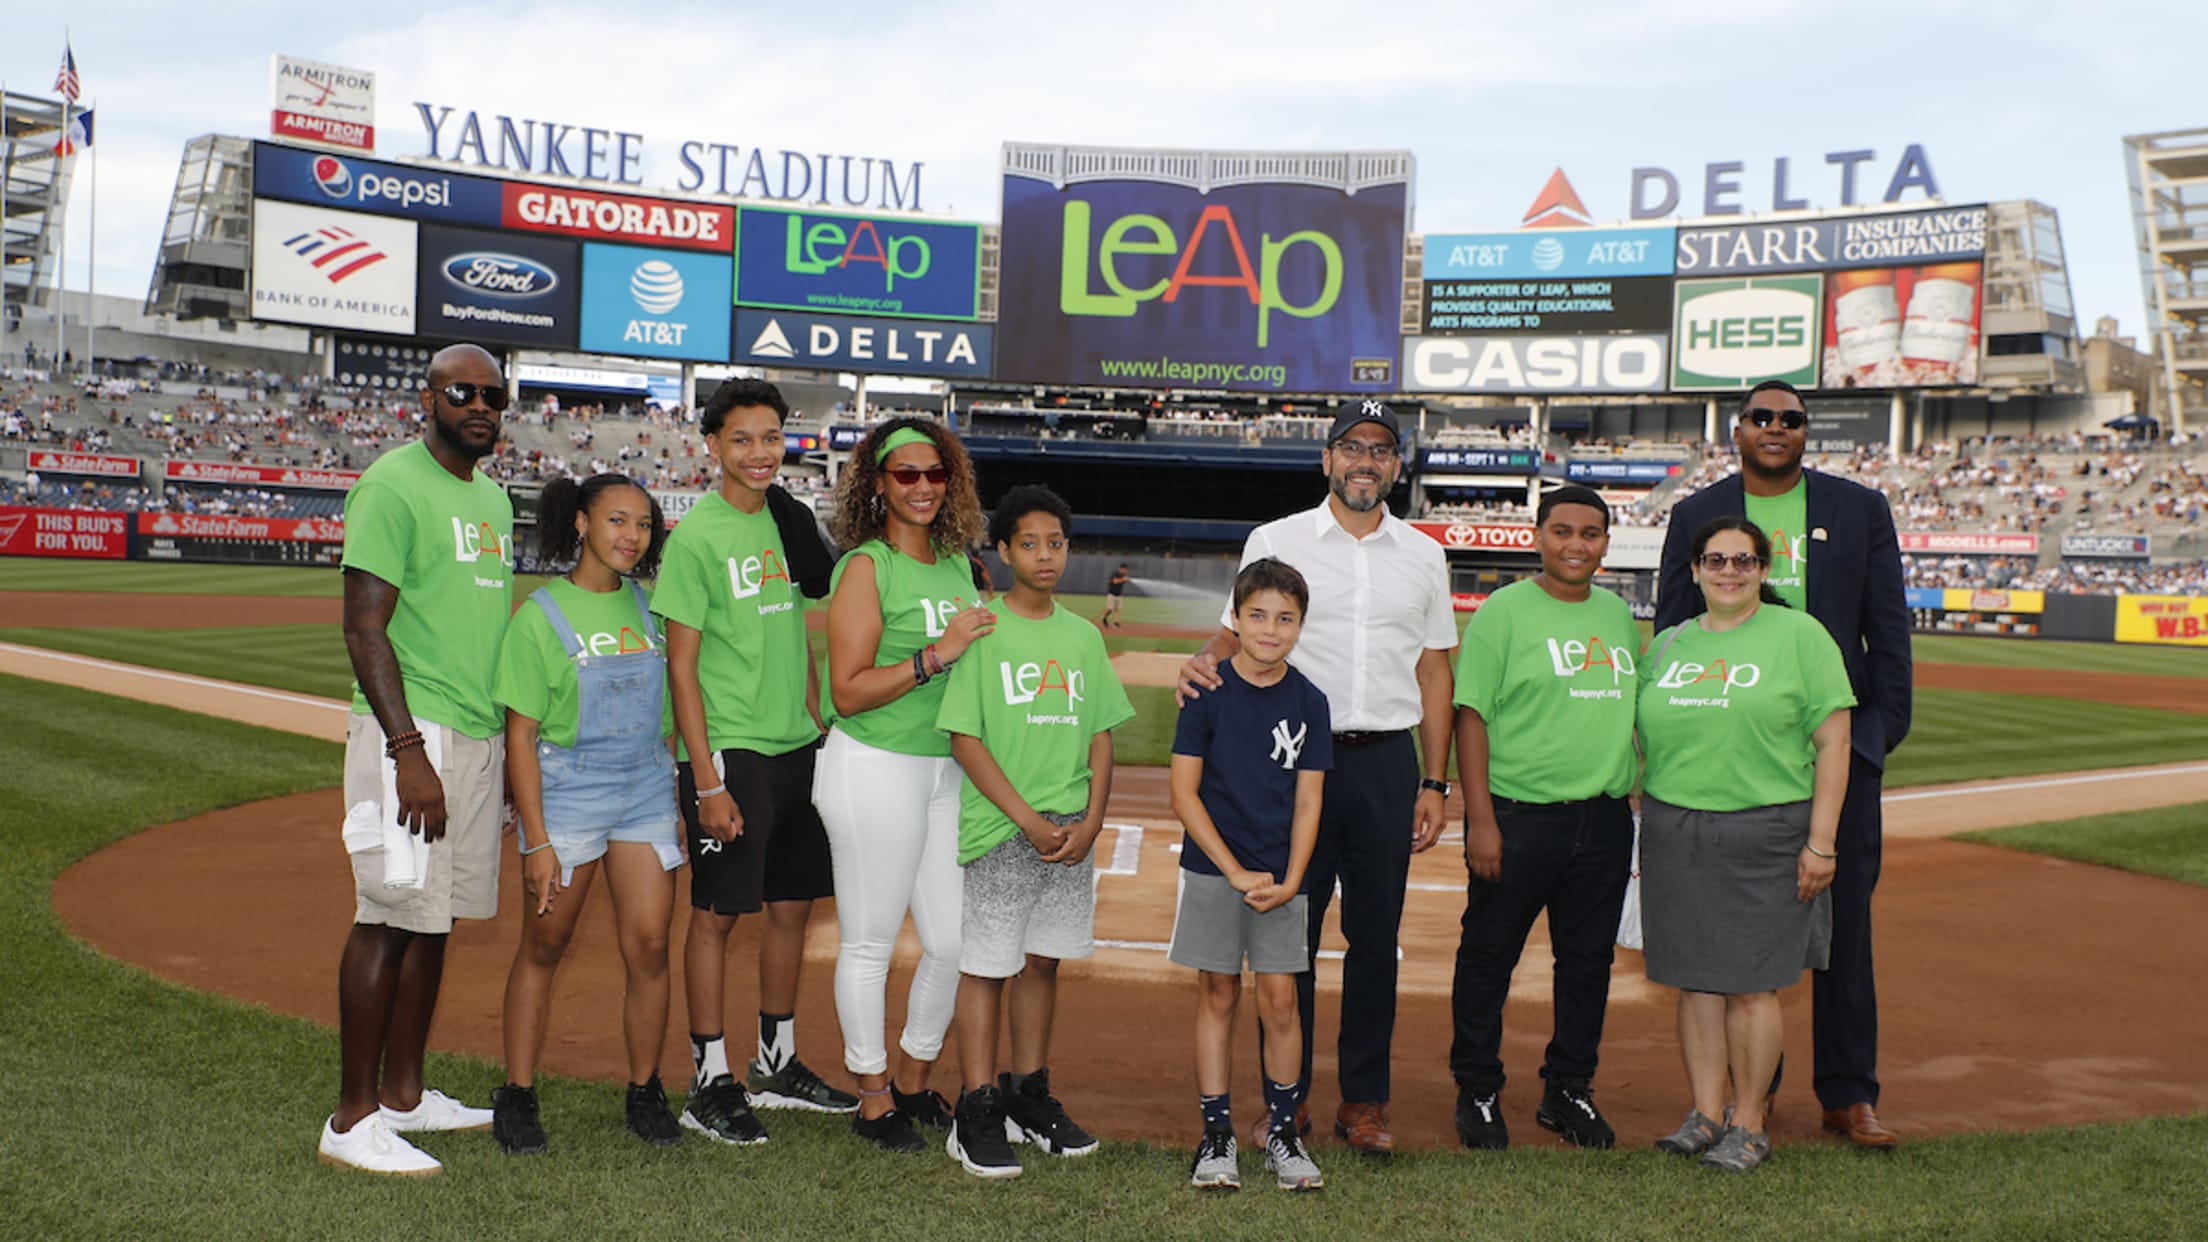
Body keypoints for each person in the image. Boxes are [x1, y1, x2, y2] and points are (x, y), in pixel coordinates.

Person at [1176, 399, 1457, 1157]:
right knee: (1286, 931)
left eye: (1381, 449)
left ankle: (1364, 1101)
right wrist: (1203, 662)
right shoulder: (1277, 539)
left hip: (1384, 760)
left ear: (1397, 465)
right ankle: (1286, 1100)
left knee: (1375, 939)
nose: (1365, 461)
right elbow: (1237, 633)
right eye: (1351, 447)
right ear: (1326, 458)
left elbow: (1435, 669)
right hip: (1289, 757)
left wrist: (1436, 781)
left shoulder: (1424, 553)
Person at [1656, 380, 1912, 1150]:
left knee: (1843, 930)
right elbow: (1674, 628)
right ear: (1738, 430)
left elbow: (1887, 634)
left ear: (1807, 430)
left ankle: (1847, 1093)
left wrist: (1870, 745)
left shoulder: (1859, 508)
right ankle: (1744, 1098)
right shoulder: (1696, 514)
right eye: (1761, 417)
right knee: (1727, 937)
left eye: (1790, 419)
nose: (1775, 428)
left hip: (1833, 756)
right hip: (1734, 756)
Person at [321, 343, 514, 1176]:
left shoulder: (498, 501)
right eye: (464, 392)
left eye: (495, 397)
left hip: (474, 734)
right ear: (428, 397)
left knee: (435, 920)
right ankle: (352, 1117)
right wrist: (407, 750)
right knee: (388, 915)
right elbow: (364, 625)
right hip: (414, 733)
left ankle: (405, 1093)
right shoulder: (393, 484)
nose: (481, 407)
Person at [652, 378, 853, 1149]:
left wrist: (817, 720)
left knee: (793, 906)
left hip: (795, 746)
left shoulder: (787, 520)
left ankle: (777, 1059)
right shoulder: (698, 537)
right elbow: (682, 668)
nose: (760, 452)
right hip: (730, 750)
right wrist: (706, 778)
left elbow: (796, 633)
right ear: (713, 447)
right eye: (743, 439)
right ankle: (710, 1077)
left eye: (771, 437)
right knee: (716, 914)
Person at [1640, 516, 1855, 1172]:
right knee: (1695, 982)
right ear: (1695, 570)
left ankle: (1750, 1121)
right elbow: (1643, 737)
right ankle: (1705, 1114)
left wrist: (1821, 842)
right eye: (1715, 560)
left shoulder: (1800, 635)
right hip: (1675, 828)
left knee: (1752, 986)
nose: (1728, 571)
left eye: (1743, 561)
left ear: (1764, 570)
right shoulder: (1670, 642)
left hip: (1766, 830)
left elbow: (1834, 742)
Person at [937, 485, 1135, 1179]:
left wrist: (1093, 820)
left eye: (1056, 543)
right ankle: (977, 1105)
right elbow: (964, 738)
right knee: (988, 967)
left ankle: (1028, 1093)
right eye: (1030, 543)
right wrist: (1025, 817)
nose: (1045, 555)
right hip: (1002, 828)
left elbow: (1103, 737)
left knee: (1044, 960)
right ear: (1003, 551)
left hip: (1068, 830)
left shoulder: (1082, 636)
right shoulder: (984, 630)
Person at [815, 418, 996, 1153]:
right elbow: (848, 692)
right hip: (872, 765)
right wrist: (937, 655)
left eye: (935, 474)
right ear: (878, 486)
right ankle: (873, 1096)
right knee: (871, 942)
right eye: (905, 475)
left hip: (943, 768)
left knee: (954, 943)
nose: (922, 487)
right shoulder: (865, 567)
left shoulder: (958, 564)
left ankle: (915, 1079)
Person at [490, 474, 679, 1155]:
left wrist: (672, 789)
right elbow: (519, 736)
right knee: (544, 946)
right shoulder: (539, 616)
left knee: (651, 946)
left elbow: (672, 715)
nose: (631, 536)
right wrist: (536, 841)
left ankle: (645, 1088)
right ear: (581, 523)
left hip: (645, 788)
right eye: (617, 521)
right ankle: (516, 1092)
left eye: (643, 525)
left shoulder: (652, 608)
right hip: (568, 792)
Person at [1448, 485, 1639, 1152]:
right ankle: (1477, 1086)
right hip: (1519, 816)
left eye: (1591, 533)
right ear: (1537, 535)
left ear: (1606, 544)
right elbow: (1470, 716)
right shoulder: (1503, 613)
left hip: (1604, 820)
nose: (1576, 545)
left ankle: (1568, 1090)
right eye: (1562, 531)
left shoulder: (1617, 616)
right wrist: (1480, 820)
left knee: (1587, 964)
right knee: (1488, 958)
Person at [1169, 557, 1331, 1193]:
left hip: (1281, 877)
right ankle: (1217, 1136)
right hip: (1216, 869)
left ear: (1300, 626)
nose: (1271, 629)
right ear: (1234, 620)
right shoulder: (1207, 692)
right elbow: (1185, 794)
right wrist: (1232, 870)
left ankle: (1284, 1133)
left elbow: (1310, 800)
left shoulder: (1309, 700)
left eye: (1286, 618)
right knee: (1217, 994)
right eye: (1257, 615)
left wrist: (1293, 879)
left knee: (1281, 1001)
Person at [1099, 562, 1130, 629]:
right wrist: (1123, 579)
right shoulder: (1115, 573)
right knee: (1110, 609)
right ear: (1121, 569)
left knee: (1118, 609)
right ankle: (1105, 618)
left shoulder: (1123, 576)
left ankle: (1116, 623)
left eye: (1126, 570)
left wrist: (1126, 579)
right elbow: (1115, 581)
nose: (1125, 571)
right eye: (1124, 569)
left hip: (1119, 595)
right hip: (1112, 594)